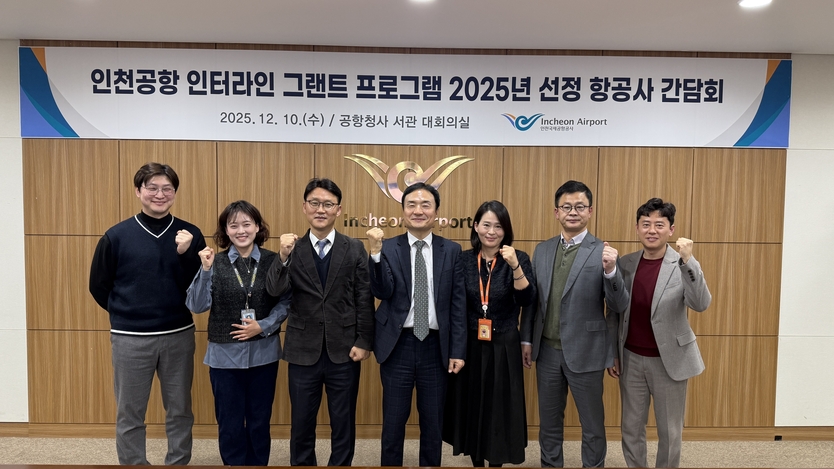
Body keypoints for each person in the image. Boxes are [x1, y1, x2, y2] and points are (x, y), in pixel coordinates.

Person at [89, 162, 206, 465]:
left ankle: (178, 462)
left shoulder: (191, 234)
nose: (160, 194)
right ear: (138, 191)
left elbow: (199, 288)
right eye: (152, 187)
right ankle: (134, 464)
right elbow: (98, 286)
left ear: (175, 193)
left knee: (180, 409)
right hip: (130, 338)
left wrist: (185, 255)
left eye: (167, 188)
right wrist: (128, 313)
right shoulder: (116, 236)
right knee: (130, 412)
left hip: (178, 335)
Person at [519, 179, 629, 468]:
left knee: (592, 424)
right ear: (556, 212)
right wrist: (526, 339)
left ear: (590, 211)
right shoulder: (542, 250)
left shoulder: (602, 251)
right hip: (547, 352)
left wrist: (611, 271)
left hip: (587, 351)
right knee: (549, 423)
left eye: (580, 207)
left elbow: (618, 305)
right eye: (566, 207)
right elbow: (532, 301)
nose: (573, 212)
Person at [265, 178, 374, 466]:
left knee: (343, 422)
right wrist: (282, 256)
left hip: (345, 350)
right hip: (302, 350)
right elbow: (274, 290)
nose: (321, 209)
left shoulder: (354, 248)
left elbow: (364, 298)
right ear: (304, 207)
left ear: (338, 210)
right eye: (314, 203)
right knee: (301, 423)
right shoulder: (293, 248)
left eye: (328, 204)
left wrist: (364, 341)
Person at [606, 198, 712, 468]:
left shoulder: (682, 263)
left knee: (670, 431)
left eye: (659, 225)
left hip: (670, 360)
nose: (651, 230)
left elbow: (701, 303)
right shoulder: (625, 263)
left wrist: (689, 261)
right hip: (631, 359)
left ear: (671, 230)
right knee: (631, 427)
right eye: (646, 224)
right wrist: (612, 353)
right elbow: (614, 312)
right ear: (637, 228)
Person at [366, 182, 467, 467]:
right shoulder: (387, 247)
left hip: (436, 347)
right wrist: (375, 254)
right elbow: (381, 291)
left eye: (425, 205)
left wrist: (458, 350)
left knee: (433, 423)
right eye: (411, 204)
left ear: (436, 212)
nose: (418, 210)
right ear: (403, 211)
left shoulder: (452, 250)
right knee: (393, 422)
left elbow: (457, 305)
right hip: (397, 345)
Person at [185, 200, 288, 466]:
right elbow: (196, 305)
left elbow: (286, 301)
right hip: (224, 357)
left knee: (259, 420)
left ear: (257, 227)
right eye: (233, 225)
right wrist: (205, 270)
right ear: (226, 231)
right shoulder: (214, 262)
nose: (241, 230)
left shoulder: (273, 260)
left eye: (246, 224)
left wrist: (264, 325)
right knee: (229, 422)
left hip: (264, 355)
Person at [442, 200, 536, 467]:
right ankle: (476, 460)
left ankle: (496, 461)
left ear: (506, 230)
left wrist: (515, 266)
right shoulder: (463, 259)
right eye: (486, 225)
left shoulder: (518, 258)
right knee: (472, 404)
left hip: (504, 344)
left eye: (498, 226)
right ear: (476, 226)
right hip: (471, 343)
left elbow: (527, 299)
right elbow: (456, 304)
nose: (491, 232)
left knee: (499, 408)